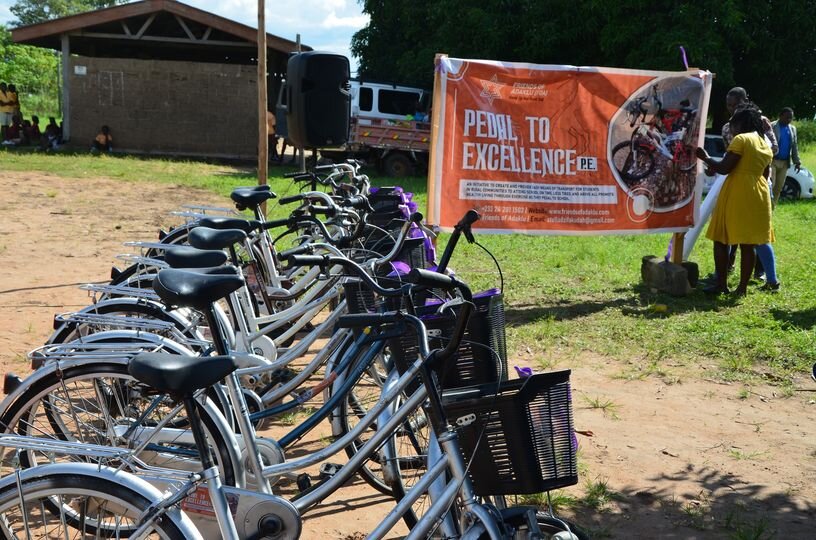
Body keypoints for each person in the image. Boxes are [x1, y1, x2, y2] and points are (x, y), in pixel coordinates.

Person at [696, 104, 775, 296]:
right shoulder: (764, 143)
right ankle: (741, 289)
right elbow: (765, 174)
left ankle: (721, 284)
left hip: (737, 190)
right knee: (748, 244)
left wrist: (705, 157)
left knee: (721, 238)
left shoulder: (741, 139)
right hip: (759, 192)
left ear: (741, 124)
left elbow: (724, 167)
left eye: (733, 123)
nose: (730, 127)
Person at [770, 107, 801, 205]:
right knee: (770, 185)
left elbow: (794, 146)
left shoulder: (792, 129)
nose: (789, 120)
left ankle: (771, 210)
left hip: (784, 163)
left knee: (778, 188)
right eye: (787, 117)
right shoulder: (772, 126)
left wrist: (797, 162)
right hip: (772, 161)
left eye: (790, 118)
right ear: (781, 116)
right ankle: (764, 208)